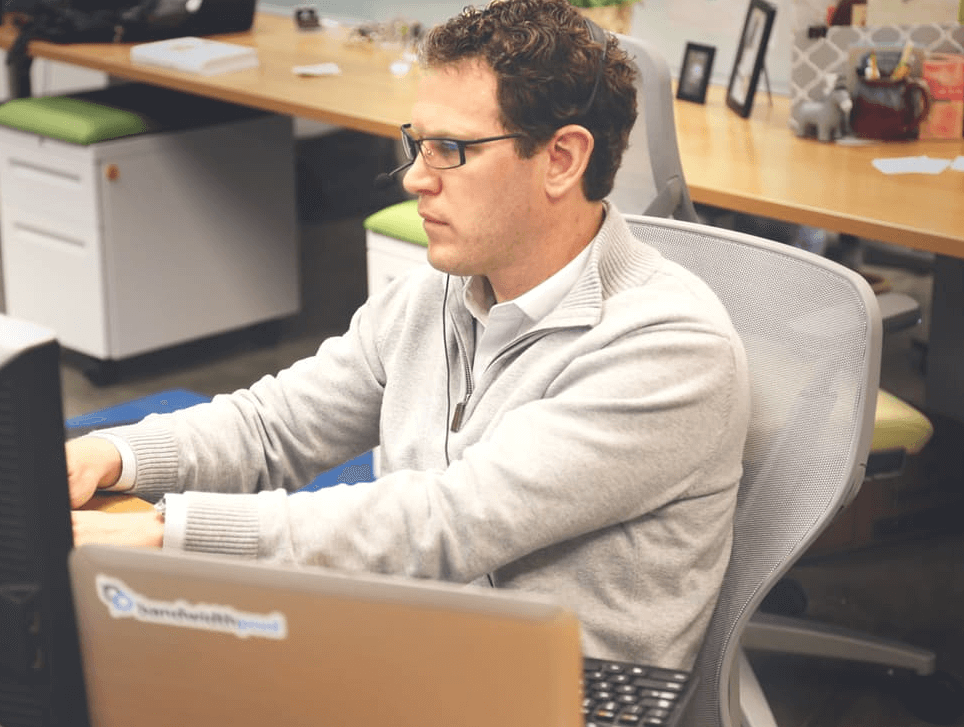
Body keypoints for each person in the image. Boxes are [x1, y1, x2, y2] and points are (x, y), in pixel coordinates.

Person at [69, 0, 751, 670]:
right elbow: (274, 426)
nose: (415, 179)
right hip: (417, 629)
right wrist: (108, 453)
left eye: (450, 149)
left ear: (562, 159)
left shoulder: (670, 347)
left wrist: (166, 531)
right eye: (417, 143)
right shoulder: (441, 290)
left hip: (564, 687)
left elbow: (446, 523)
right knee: (128, 657)